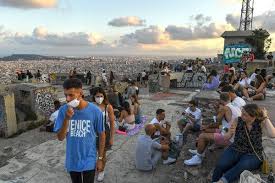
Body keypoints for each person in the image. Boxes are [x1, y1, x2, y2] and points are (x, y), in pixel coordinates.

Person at [54, 78, 105, 183]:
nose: (67, 99)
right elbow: (60, 137)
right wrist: (67, 119)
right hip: (72, 159)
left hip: (89, 159)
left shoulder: (95, 111)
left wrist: (100, 158)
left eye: (71, 95)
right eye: (65, 95)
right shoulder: (64, 111)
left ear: (81, 93)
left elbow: (102, 135)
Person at [212, 104, 275, 183]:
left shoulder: (260, 122)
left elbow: (272, 134)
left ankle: (222, 181)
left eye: (245, 114)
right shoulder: (238, 120)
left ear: (253, 116)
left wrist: (265, 117)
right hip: (236, 148)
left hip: (253, 153)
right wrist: (229, 133)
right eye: (242, 113)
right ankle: (214, 181)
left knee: (241, 166)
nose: (241, 115)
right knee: (220, 165)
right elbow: (226, 137)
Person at [184, 93, 241, 166]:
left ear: (220, 100)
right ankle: (200, 150)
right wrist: (207, 127)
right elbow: (221, 123)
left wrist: (216, 110)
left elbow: (216, 120)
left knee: (202, 136)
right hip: (229, 131)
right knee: (206, 131)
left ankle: (198, 158)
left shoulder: (225, 108)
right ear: (229, 98)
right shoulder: (235, 106)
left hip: (229, 137)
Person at [91, 87, 115, 182]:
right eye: (97, 96)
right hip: (92, 131)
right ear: (94, 97)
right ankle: (94, 167)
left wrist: (112, 138)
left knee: (103, 154)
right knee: (92, 152)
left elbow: (112, 123)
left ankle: (101, 171)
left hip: (105, 131)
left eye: (101, 96)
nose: (99, 98)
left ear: (104, 96)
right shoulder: (91, 106)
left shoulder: (107, 106)